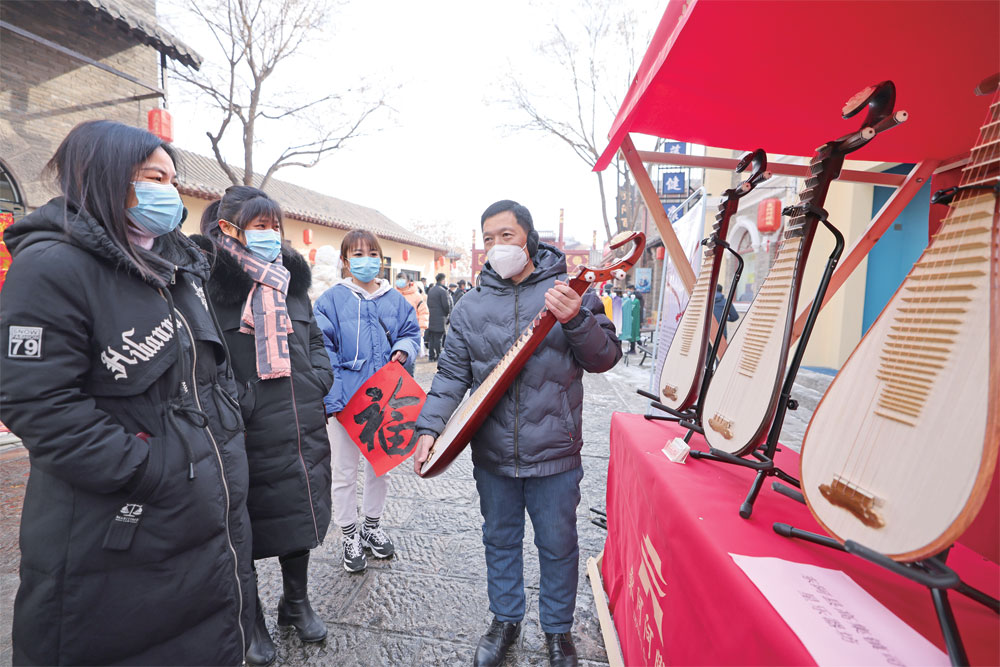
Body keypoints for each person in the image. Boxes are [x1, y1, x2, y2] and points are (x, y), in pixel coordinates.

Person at [0, 120, 253, 665]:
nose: (169, 191)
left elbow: (205, 369)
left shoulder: (174, 265)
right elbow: (38, 404)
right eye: (152, 177)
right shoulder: (52, 266)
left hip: (201, 506)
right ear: (105, 176)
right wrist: (148, 468)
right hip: (118, 523)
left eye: (172, 178)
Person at [414, 200, 621, 667]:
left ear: (528, 238)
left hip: (555, 453)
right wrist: (430, 427)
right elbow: (450, 375)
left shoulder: (570, 291)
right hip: (493, 455)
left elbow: (605, 357)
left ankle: (557, 631)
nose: (497, 246)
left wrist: (576, 319)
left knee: (558, 544)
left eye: (506, 236)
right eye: (488, 238)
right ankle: (505, 620)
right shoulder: (470, 306)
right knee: (499, 539)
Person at [191, 186, 334, 666]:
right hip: (244, 429)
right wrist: (237, 402)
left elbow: (314, 341)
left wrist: (320, 378)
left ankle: (295, 602)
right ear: (228, 229)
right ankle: (248, 618)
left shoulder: (291, 281)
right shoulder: (209, 286)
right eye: (260, 226)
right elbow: (205, 360)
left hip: (300, 420)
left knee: (300, 513)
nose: (271, 235)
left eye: (275, 225)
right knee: (243, 525)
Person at [313, 230, 421, 573]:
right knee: (344, 473)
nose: (366, 259)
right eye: (357, 253)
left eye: (372, 252)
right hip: (346, 401)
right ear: (346, 261)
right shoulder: (329, 301)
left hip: (386, 397)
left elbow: (410, 332)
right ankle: (349, 535)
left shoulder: (396, 299)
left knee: (381, 468)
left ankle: (372, 526)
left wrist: (405, 349)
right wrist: (334, 398)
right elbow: (322, 350)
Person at [397, 272, 429, 366]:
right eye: (398, 279)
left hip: (411, 333)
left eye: (402, 279)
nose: (400, 281)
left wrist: (421, 328)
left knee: (409, 364)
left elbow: (424, 312)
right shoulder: (393, 294)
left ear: (408, 281)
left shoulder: (416, 296)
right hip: (396, 334)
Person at [425, 271, 452, 361]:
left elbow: (428, 303)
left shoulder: (431, 290)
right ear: (443, 280)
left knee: (432, 337)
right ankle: (438, 356)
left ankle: (431, 355)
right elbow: (446, 305)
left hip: (431, 317)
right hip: (440, 318)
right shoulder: (442, 291)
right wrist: (447, 314)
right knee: (439, 338)